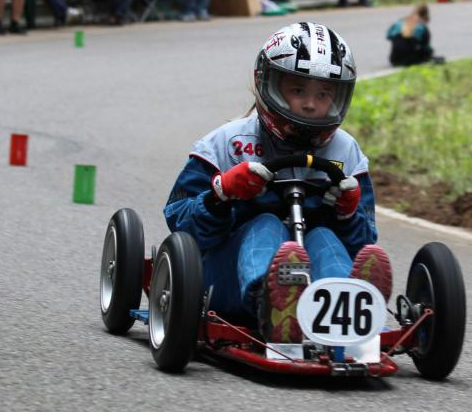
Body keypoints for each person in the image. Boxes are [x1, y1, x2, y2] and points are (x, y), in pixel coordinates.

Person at [163, 22, 393, 344]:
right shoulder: (227, 144)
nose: (310, 104)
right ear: (268, 83)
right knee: (266, 223)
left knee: (324, 235)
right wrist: (221, 194)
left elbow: (363, 244)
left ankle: (351, 306)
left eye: (323, 94)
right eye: (298, 91)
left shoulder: (347, 153)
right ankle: (268, 302)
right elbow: (179, 224)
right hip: (223, 278)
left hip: (310, 278)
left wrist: (347, 214)